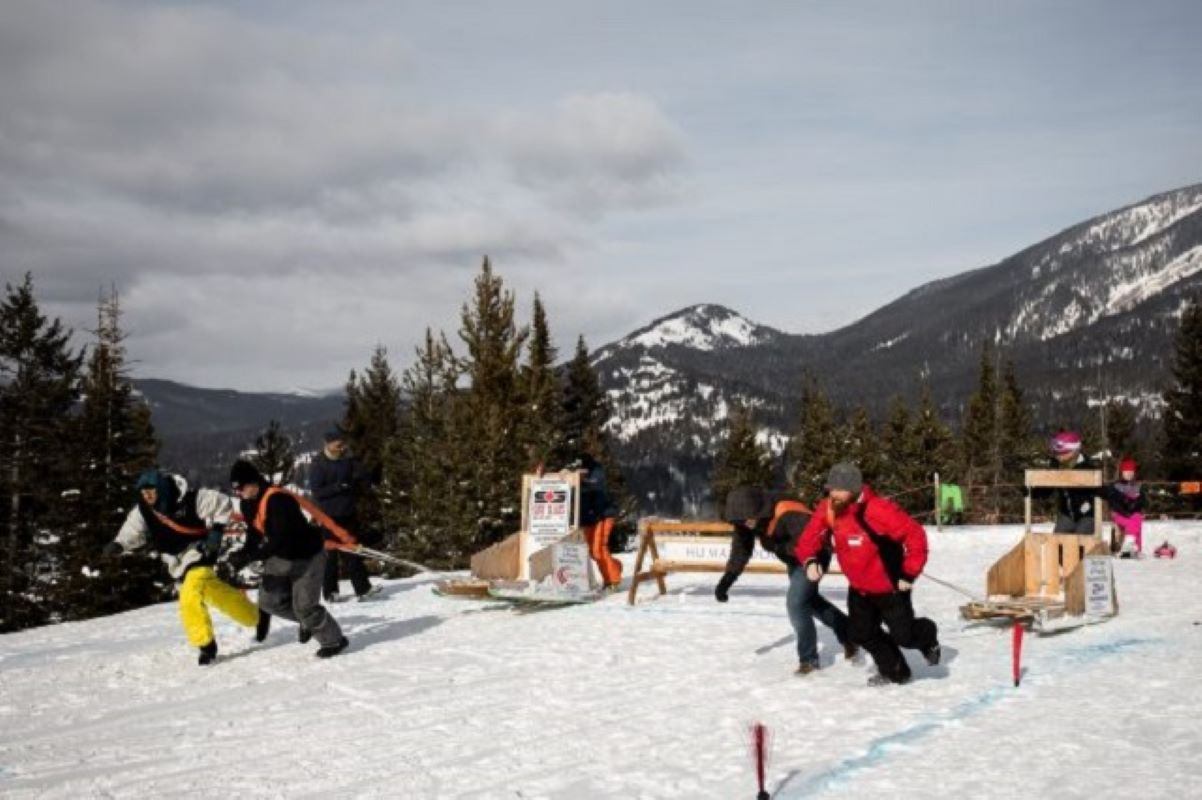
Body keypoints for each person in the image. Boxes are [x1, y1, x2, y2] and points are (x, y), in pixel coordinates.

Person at [104, 469, 269, 666]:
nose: (147, 496)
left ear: (162, 489)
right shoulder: (143, 510)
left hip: (199, 552)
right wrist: (119, 544)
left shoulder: (190, 499)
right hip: (175, 561)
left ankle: (206, 645)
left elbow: (222, 503)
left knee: (189, 595)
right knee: (215, 593)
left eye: (151, 491)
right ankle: (256, 616)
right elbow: (133, 530)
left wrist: (217, 531)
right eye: (143, 492)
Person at [796, 462, 940, 686]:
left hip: (891, 587)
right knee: (862, 633)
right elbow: (808, 539)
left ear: (854, 490)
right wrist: (810, 560)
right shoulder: (829, 509)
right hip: (859, 589)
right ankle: (895, 670)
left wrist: (909, 573)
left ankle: (928, 638)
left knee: (904, 636)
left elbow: (915, 535)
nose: (833, 494)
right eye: (831, 489)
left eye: (839, 490)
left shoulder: (879, 509)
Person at [718, 486, 856, 675]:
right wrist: (728, 579)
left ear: (758, 510)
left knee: (796, 604)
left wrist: (795, 556)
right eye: (741, 522)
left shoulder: (789, 512)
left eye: (748, 520)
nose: (746, 525)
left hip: (814, 556)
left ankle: (809, 660)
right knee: (809, 601)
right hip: (794, 558)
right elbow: (741, 550)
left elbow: (810, 542)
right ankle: (849, 633)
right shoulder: (747, 520)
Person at [229, 460, 351, 658]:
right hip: (282, 557)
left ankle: (334, 640)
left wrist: (252, 556)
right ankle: (307, 621)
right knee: (269, 602)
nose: (238, 493)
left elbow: (282, 538)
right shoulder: (247, 503)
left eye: (241, 488)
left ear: (253, 483)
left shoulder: (278, 500)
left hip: (307, 557)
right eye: (235, 490)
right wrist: (244, 552)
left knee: (305, 607)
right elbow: (254, 532)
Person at [309, 427, 380, 602]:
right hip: (328, 516)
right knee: (331, 555)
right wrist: (337, 487)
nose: (342, 448)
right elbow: (317, 492)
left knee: (352, 549)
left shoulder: (348, 460)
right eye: (338, 445)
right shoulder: (319, 464)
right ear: (328, 444)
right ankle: (330, 593)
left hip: (348, 513)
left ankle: (363, 589)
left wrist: (371, 477)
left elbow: (361, 477)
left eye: (343, 445)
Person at [1039, 430, 1101, 534]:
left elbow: (1097, 490)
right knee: (1058, 538)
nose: (1059, 457)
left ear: (1074, 451)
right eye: (1057, 454)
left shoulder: (1087, 467)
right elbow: (1048, 489)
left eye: (1063, 453)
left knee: (1080, 537)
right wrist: (1034, 491)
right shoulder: (1057, 466)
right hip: (1067, 514)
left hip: (1086, 514)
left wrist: (1088, 503)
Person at [577, 453, 623, 588]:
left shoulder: (596, 471)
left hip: (603, 514)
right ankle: (615, 568)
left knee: (599, 549)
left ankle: (612, 580)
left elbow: (596, 486)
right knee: (593, 552)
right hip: (589, 518)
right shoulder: (574, 472)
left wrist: (582, 481)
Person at [1108, 456, 1146, 557]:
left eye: (1131, 471)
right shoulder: (1115, 486)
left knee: (1137, 517)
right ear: (1122, 472)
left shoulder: (1138, 486)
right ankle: (1131, 545)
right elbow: (1113, 503)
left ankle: (1131, 545)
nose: (1129, 473)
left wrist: (1135, 507)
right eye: (1126, 471)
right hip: (1119, 514)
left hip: (1133, 514)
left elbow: (1142, 502)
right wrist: (1126, 512)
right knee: (1135, 519)